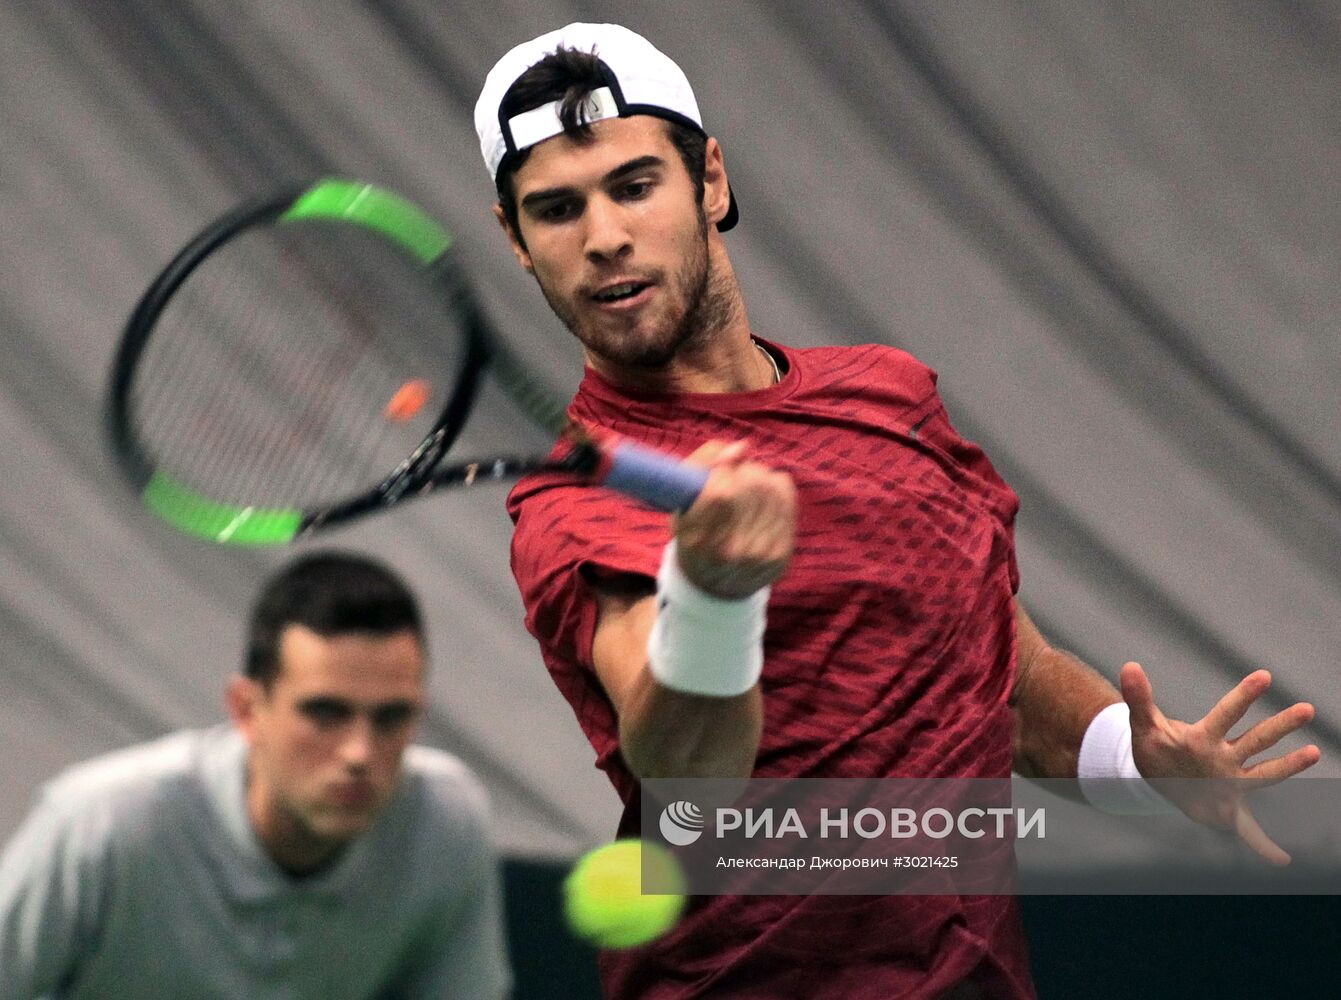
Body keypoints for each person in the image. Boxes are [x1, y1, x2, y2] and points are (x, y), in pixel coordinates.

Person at [477, 22, 1320, 1000]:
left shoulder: (888, 398)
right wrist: (711, 595)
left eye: (633, 186)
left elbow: (1009, 678)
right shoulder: (578, 501)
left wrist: (1135, 765)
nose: (604, 237)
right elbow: (692, 778)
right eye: (556, 209)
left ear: (710, 179)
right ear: (518, 242)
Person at [0, 551, 511, 999]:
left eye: (392, 717)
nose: (359, 752)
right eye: (325, 713)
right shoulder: (100, 823)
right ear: (247, 709)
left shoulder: (447, 822)